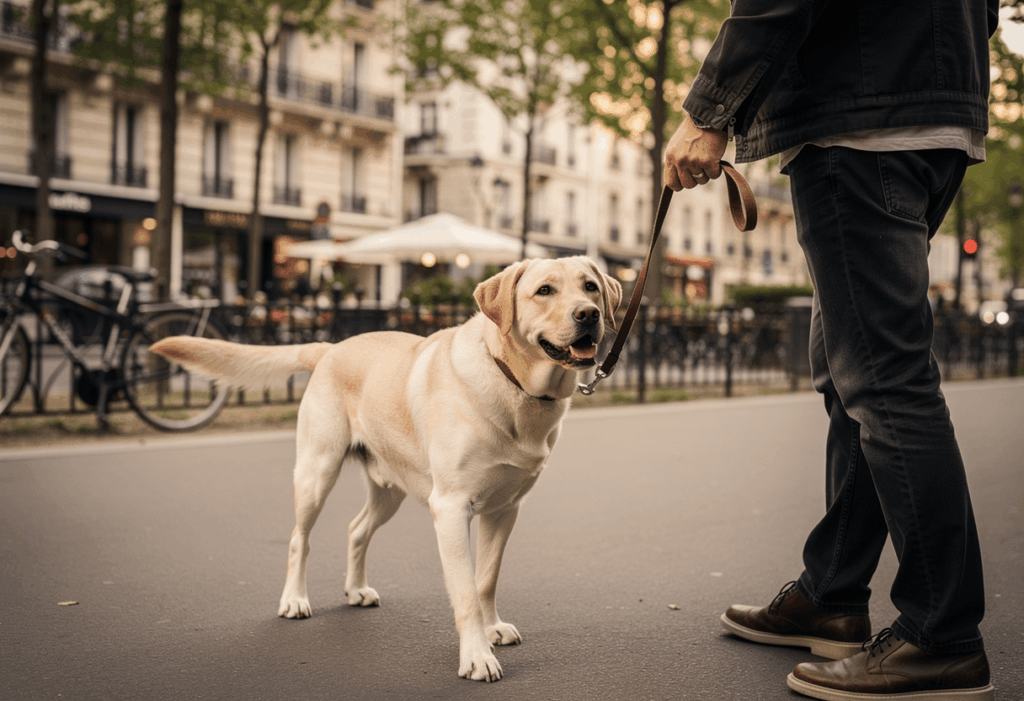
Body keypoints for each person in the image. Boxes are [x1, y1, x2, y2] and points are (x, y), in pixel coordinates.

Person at [662, 2, 999, 699]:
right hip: (935, 109)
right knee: (852, 370)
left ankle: (942, 635)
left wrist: (708, 113)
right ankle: (832, 594)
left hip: (862, 121)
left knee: (886, 382)